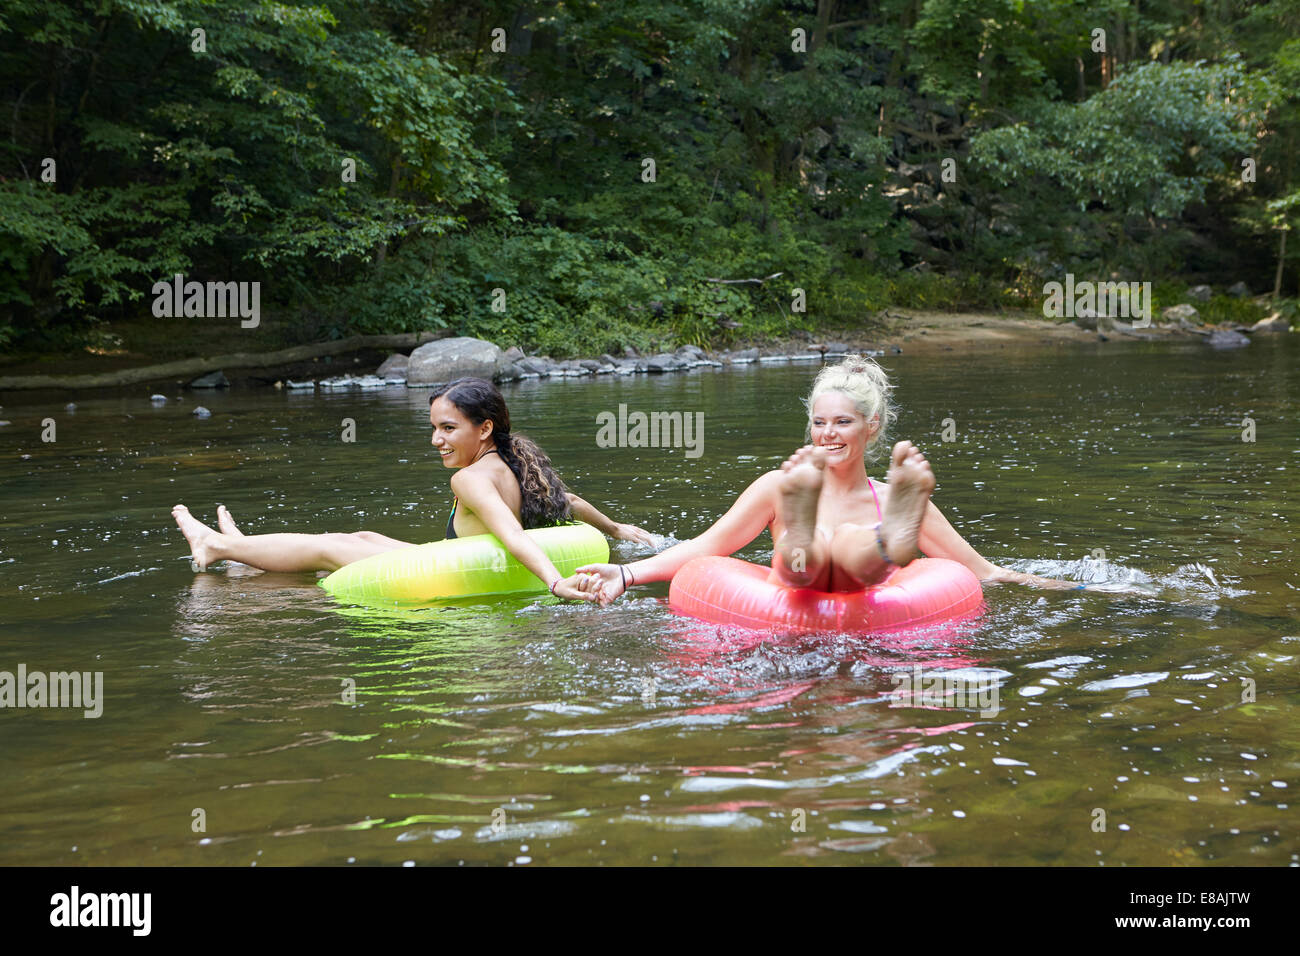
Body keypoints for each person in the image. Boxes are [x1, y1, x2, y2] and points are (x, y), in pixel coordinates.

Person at [567, 353, 1081, 605]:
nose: (827, 434)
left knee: (852, 549)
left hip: (863, 605)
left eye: (843, 422)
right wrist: (627, 574)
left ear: (871, 426)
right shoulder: (777, 484)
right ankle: (818, 530)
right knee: (808, 555)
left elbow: (984, 571)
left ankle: (884, 540)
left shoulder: (888, 496)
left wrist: (1075, 586)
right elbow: (707, 547)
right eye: (819, 422)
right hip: (796, 593)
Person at [172, 377, 652, 601]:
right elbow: (568, 502)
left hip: (455, 574)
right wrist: (618, 528)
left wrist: (555, 583)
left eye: (447, 429)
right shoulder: (515, 458)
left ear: (483, 428)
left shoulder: (469, 477)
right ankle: (239, 551)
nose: (436, 440)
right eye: (434, 428)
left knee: (328, 550)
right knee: (361, 537)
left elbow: (512, 534)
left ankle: (216, 546)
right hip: (461, 560)